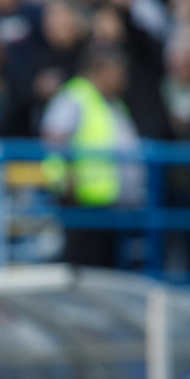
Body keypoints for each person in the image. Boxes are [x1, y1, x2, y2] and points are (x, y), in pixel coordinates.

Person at [41, 43, 142, 268]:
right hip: (82, 204)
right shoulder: (75, 96)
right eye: (118, 72)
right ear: (101, 70)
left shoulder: (112, 103)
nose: (123, 78)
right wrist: (66, 186)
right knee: (84, 273)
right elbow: (55, 142)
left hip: (109, 205)